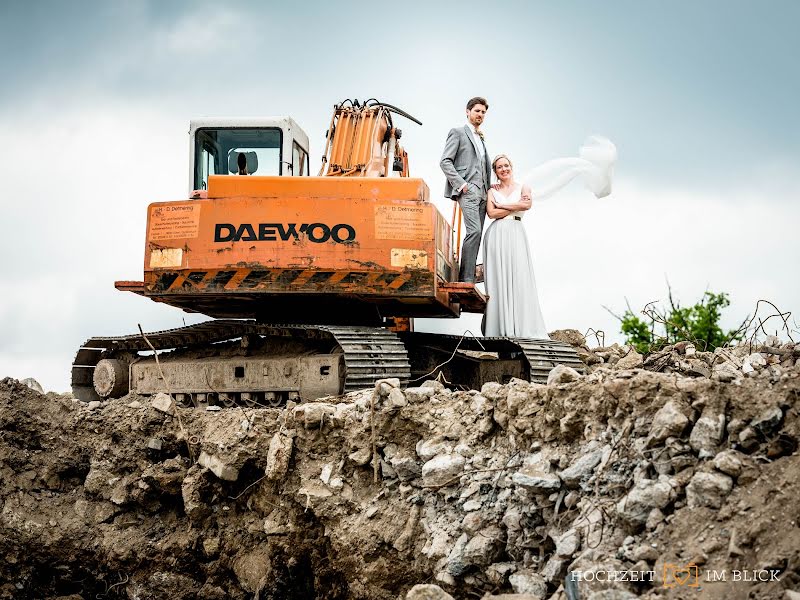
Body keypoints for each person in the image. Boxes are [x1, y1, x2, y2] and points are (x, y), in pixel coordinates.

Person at [482, 154, 548, 339]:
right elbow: (491, 213)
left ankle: (522, 326)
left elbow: (527, 206)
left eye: (506, 165)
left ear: (511, 167)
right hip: (496, 236)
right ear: (495, 172)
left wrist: (505, 205)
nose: (504, 169)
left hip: (516, 232)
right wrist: (516, 204)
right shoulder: (491, 191)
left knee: (519, 276)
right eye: (499, 167)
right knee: (499, 279)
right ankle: (500, 327)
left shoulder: (523, 187)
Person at [440, 97, 492, 283]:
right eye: (477, 111)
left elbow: (483, 166)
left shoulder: (481, 139)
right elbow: (445, 161)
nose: (480, 115)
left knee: (477, 235)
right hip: (468, 190)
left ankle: (469, 275)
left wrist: (488, 189)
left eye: (483, 112)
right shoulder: (458, 133)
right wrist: (462, 185)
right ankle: (466, 278)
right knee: (474, 231)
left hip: (483, 193)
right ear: (468, 111)